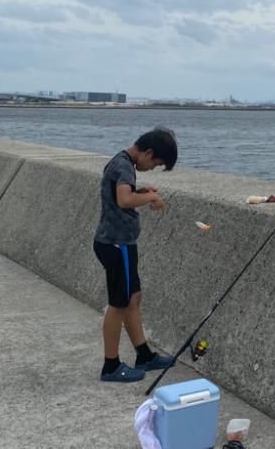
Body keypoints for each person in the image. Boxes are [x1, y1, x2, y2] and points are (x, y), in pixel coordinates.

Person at [93, 127, 178, 382]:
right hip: (116, 245)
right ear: (148, 152)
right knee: (118, 304)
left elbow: (123, 194)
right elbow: (123, 200)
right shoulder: (124, 165)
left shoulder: (123, 163)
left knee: (133, 298)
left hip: (121, 243)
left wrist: (140, 192)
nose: (152, 168)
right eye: (155, 163)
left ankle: (144, 354)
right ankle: (110, 365)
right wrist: (151, 196)